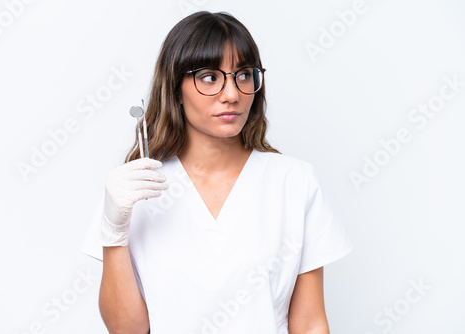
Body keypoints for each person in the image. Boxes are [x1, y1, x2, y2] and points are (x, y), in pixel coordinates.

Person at [81, 11, 353, 334]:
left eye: (244, 75)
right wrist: (114, 229)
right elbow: (127, 330)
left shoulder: (294, 183)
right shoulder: (136, 188)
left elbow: (309, 324)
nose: (232, 94)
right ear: (175, 88)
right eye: (210, 77)